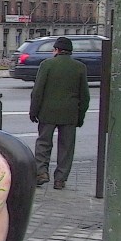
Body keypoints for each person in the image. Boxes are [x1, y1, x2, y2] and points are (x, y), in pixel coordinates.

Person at [30, 37, 89, 190]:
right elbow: (85, 96)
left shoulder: (47, 65)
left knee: (43, 143)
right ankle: (60, 179)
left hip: (47, 113)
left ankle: (41, 172)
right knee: (66, 147)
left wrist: (33, 111)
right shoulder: (79, 67)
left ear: (56, 50)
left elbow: (37, 91)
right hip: (70, 114)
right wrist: (80, 117)